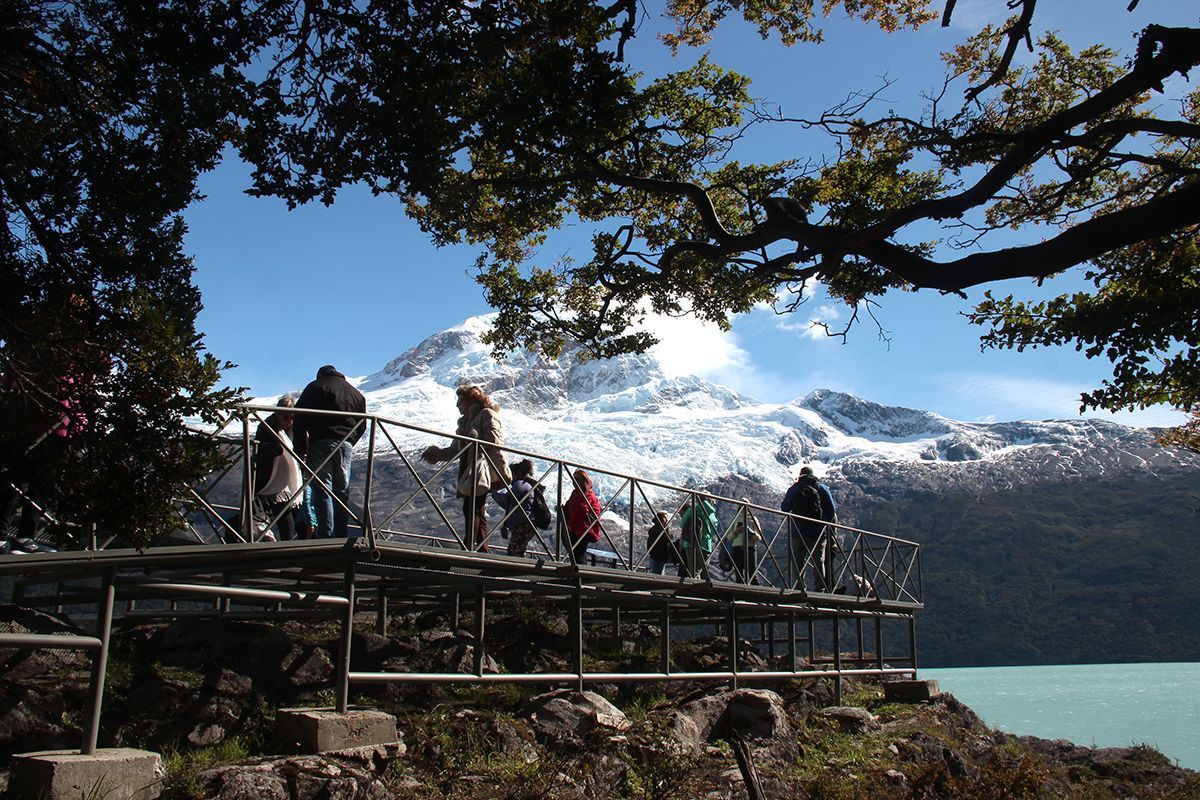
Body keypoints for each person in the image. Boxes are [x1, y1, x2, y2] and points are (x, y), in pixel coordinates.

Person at [421, 384, 512, 551]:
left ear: (471, 400)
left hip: (484, 469)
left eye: (460, 400)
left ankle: (468, 546)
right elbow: (456, 449)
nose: (457, 405)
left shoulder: (487, 415)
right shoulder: (466, 422)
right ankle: (481, 548)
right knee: (477, 508)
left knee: (471, 507)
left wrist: (472, 439)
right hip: (472, 470)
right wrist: (437, 454)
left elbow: (494, 442)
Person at [293, 365, 367, 538]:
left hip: (320, 443)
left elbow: (299, 417)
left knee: (321, 489)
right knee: (342, 491)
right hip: (345, 445)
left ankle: (326, 534)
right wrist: (349, 441)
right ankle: (342, 534)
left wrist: (301, 449)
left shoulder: (315, 387)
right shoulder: (356, 394)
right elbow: (362, 425)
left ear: (320, 375)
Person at [252, 394, 304, 541]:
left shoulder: (292, 428)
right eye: (285, 417)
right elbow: (260, 448)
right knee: (283, 511)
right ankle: (287, 545)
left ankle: (295, 544)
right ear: (277, 414)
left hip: (285, 478)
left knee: (292, 511)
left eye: (291, 417)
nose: (289, 421)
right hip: (272, 478)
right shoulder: (266, 426)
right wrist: (273, 449)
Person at [782, 466, 837, 591]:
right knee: (818, 560)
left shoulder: (794, 489)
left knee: (798, 561)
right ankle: (820, 589)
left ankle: (800, 588)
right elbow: (832, 511)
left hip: (798, 531)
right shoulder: (822, 488)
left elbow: (784, 508)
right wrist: (823, 523)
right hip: (818, 531)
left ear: (800, 476)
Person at [496, 458, 538, 557]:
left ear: (517, 473)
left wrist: (494, 493)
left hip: (523, 524)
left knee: (515, 551)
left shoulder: (519, 485)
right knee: (516, 549)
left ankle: (518, 570)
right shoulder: (524, 485)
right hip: (525, 523)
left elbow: (510, 500)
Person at [564, 469, 602, 566]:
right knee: (576, 552)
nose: (575, 481)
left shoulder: (587, 494)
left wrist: (571, 526)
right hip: (578, 528)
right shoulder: (576, 493)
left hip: (584, 529)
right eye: (574, 479)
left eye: (578, 479)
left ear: (584, 480)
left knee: (579, 553)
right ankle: (578, 574)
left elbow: (582, 511)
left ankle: (580, 574)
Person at [679, 495, 718, 578]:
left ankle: (694, 588)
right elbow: (714, 533)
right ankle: (704, 589)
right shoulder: (712, 514)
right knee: (704, 570)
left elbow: (682, 524)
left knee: (693, 570)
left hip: (690, 543)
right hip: (705, 544)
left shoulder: (692, 509)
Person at [728, 499, 763, 584]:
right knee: (739, 574)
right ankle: (740, 593)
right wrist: (736, 531)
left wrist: (751, 532)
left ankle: (755, 592)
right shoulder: (735, 518)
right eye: (741, 505)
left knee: (752, 573)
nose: (743, 507)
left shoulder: (753, 519)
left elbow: (759, 537)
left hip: (750, 548)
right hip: (737, 548)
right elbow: (729, 536)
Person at [646, 511, 677, 575]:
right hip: (660, 556)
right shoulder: (662, 530)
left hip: (654, 556)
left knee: (655, 573)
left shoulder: (653, 529)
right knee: (658, 574)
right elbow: (664, 541)